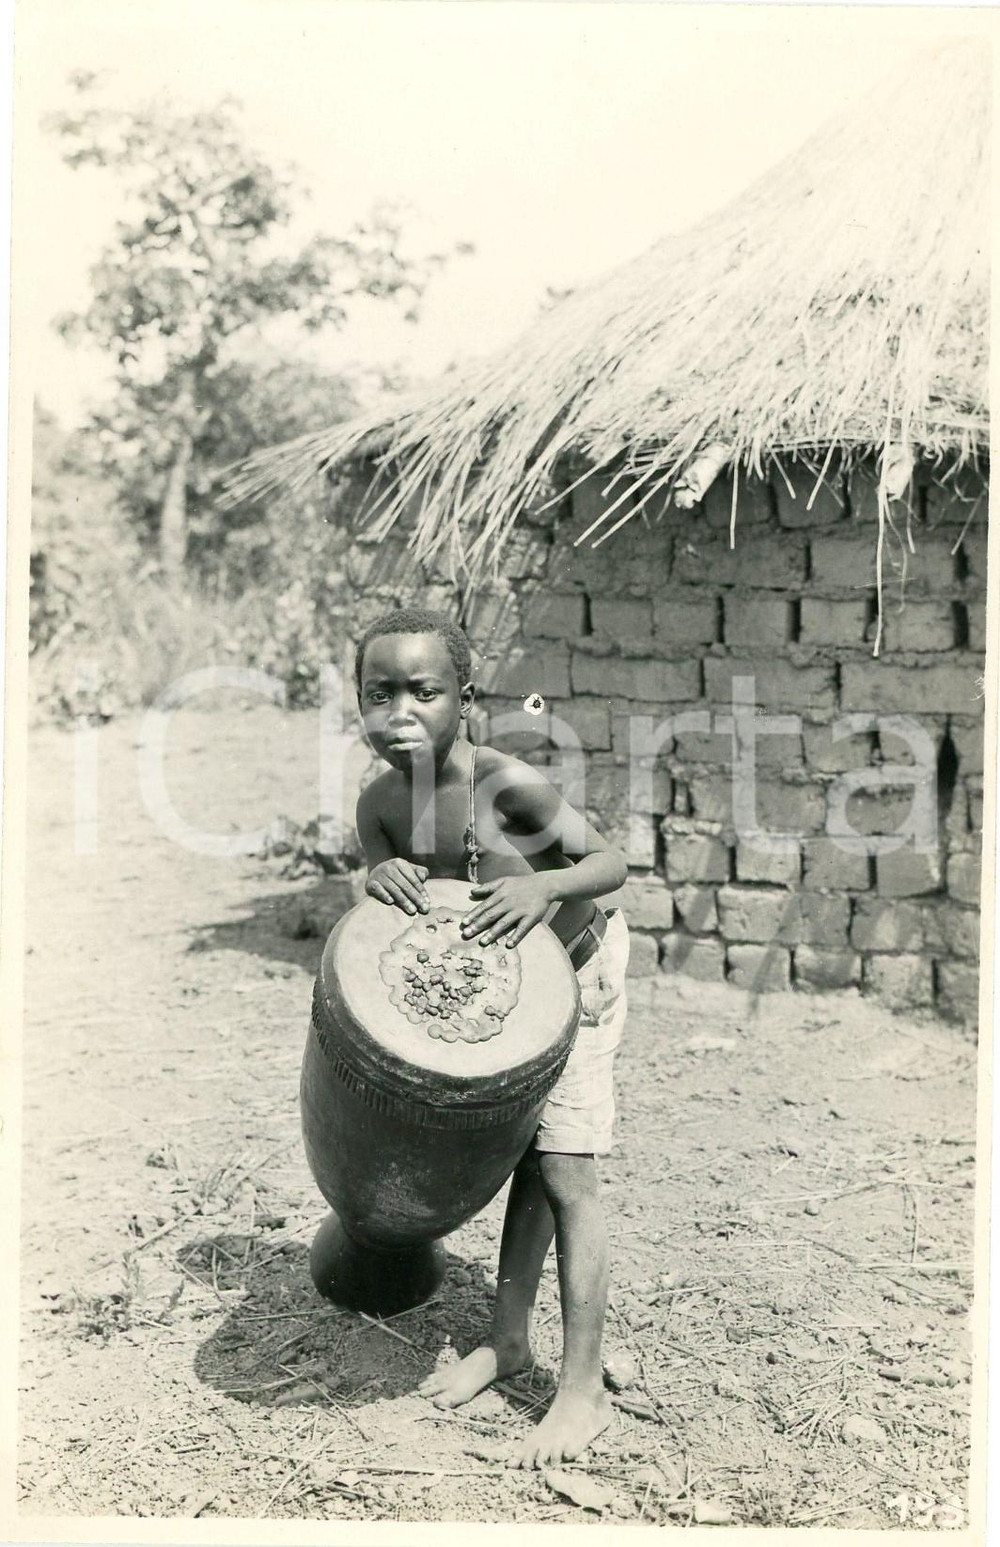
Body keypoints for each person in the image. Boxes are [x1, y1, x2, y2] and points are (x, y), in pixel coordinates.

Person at [354, 607, 630, 1468]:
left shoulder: (503, 783)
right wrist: (376, 874)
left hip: (576, 969)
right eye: (379, 693)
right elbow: (380, 915)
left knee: (566, 1170)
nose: (401, 712)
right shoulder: (381, 805)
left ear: (464, 699)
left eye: (424, 692)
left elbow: (610, 864)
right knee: (524, 1156)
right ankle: (508, 1341)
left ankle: (580, 1393)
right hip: (504, 990)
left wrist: (545, 888)